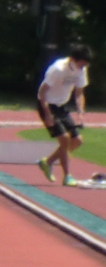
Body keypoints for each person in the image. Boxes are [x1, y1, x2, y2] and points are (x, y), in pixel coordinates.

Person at [37, 42, 92, 186]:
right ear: (73, 59)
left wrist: (80, 112)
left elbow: (79, 93)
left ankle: (47, 162)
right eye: (82, 64)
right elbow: (41, 93)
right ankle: (67, 176)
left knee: (78, 140)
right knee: (65, 139)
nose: (83, 67)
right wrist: (47, 114)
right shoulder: (58, 69)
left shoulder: (81, 70)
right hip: (48, 104)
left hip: (62, 106)